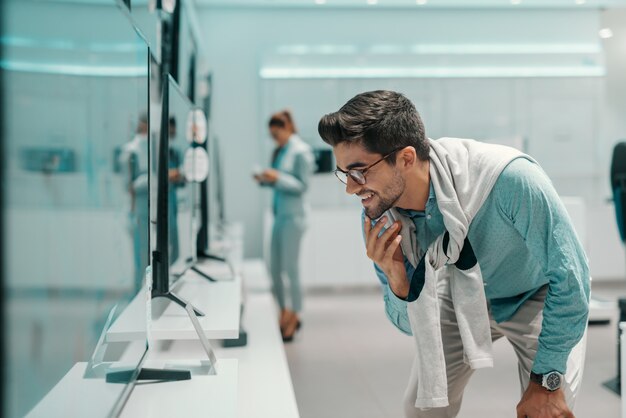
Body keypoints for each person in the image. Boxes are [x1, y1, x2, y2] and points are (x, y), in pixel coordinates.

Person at [317, 90, 590, 418]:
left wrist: (546, 382)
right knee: (421, 408)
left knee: (548, 411)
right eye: (344, 174)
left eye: (359, 172)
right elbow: (410, 328)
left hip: (538, 294)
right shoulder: (381, 214)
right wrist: (399, 282)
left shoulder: (509, 179)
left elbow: (570, 278)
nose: (350, 187)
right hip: (463, 290)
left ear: (405, 158)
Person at [254, 110, 315, 342]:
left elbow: (302, 186)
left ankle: (294, 313)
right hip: (280, 216)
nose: (274, 139)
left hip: (294, 218)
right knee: (275, 267)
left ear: (287, 128)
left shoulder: (301, 151)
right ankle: (282, 311)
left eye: (276, 133)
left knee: (291, 268)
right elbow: (280, 183)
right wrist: (266, 180)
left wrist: (277, 178)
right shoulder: (280, 151)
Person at [119, 112, 150, 292]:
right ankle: (136, 296)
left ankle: (141, 296)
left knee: (144, 259)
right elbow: (129, 185)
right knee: (140, 260)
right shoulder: (131, 150)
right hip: (136, 213)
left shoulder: (146, 148)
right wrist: (154, 178)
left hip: (145, 213)